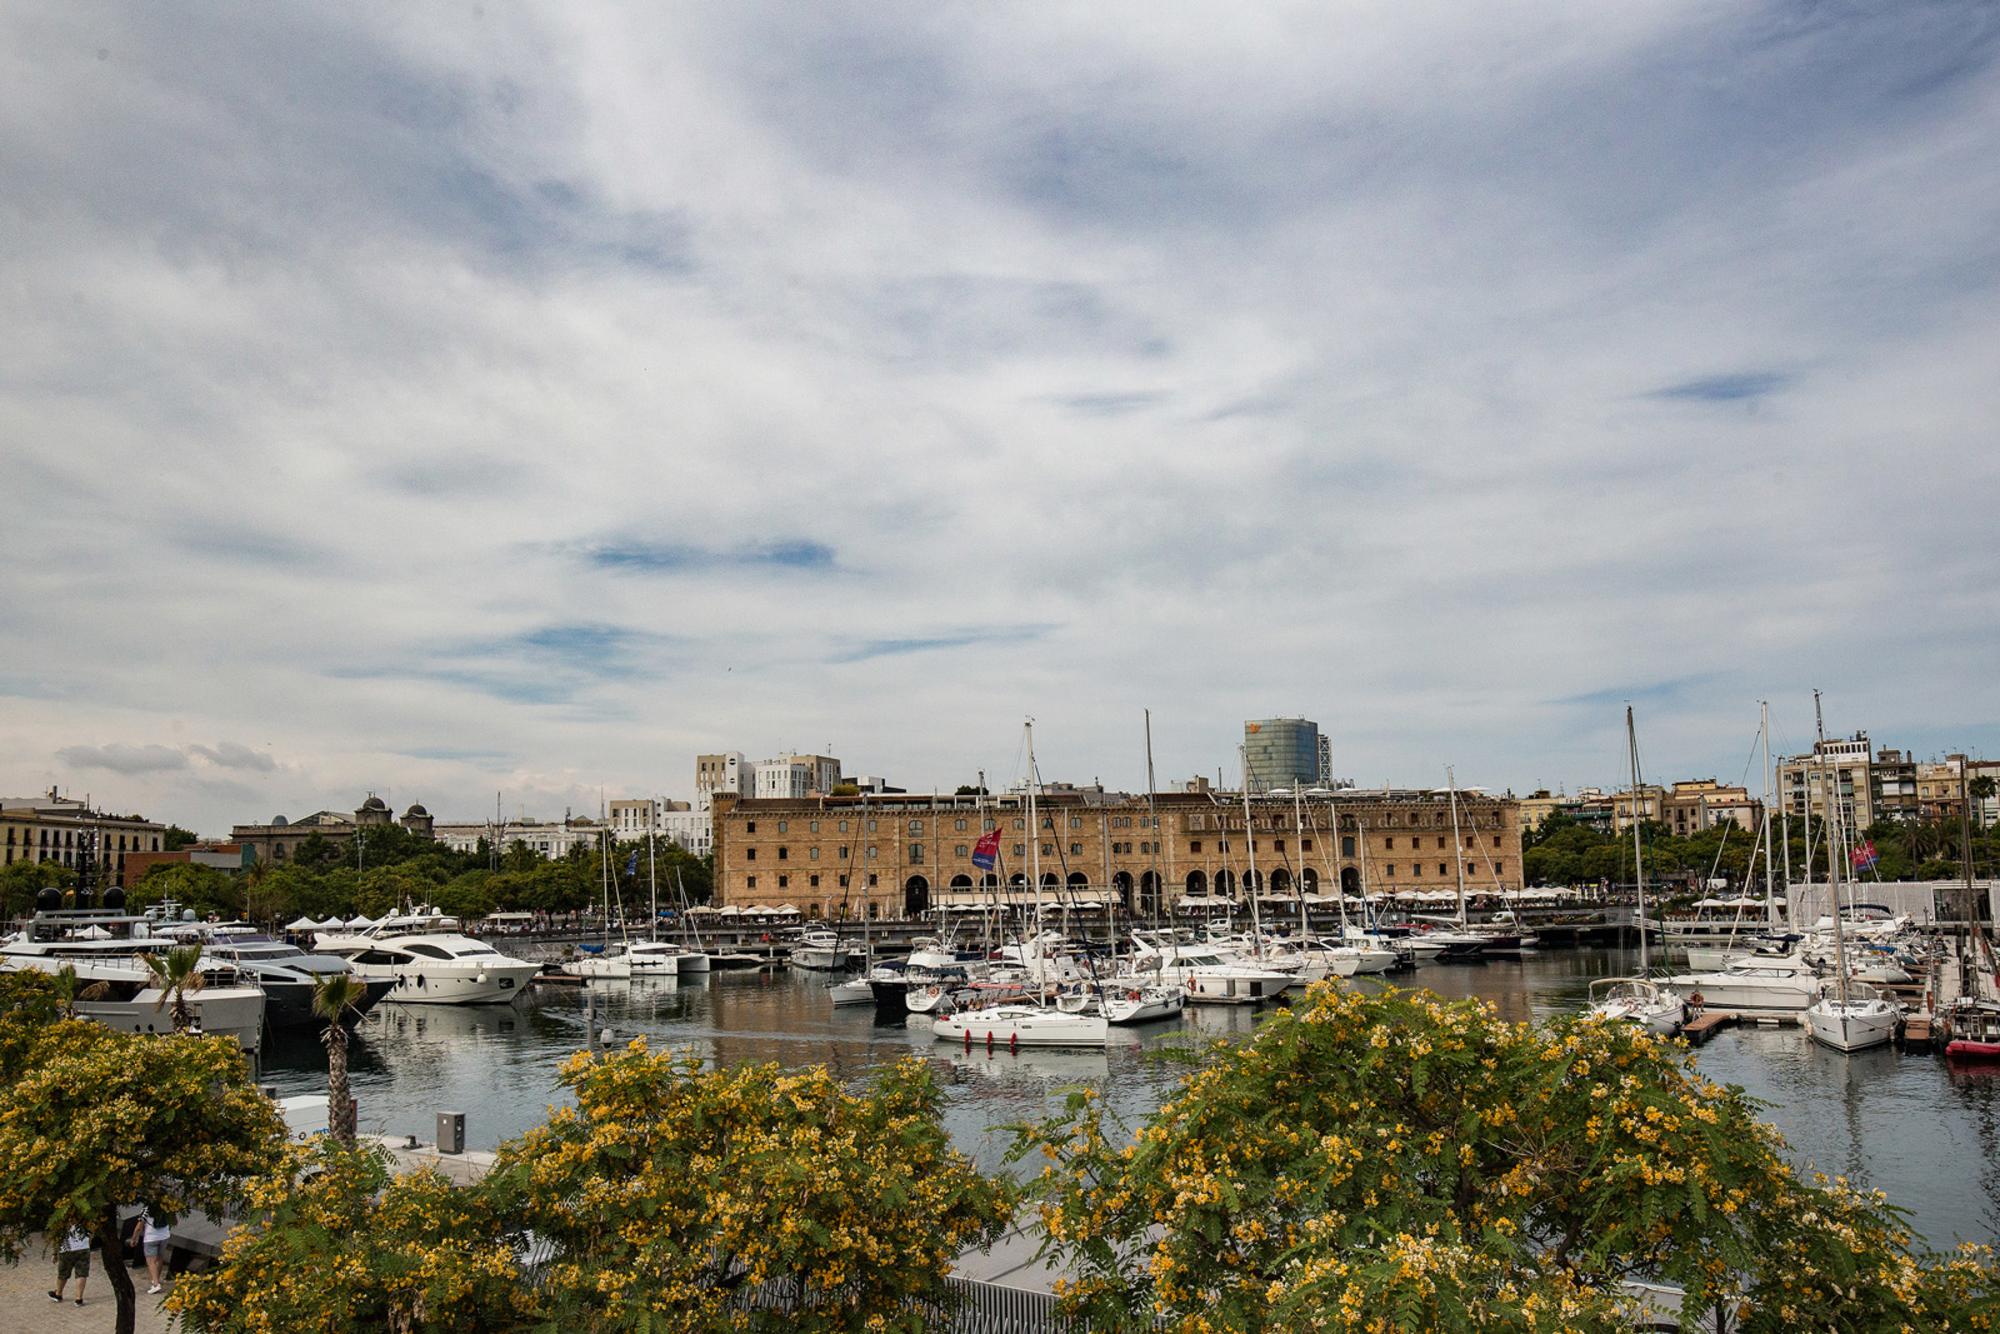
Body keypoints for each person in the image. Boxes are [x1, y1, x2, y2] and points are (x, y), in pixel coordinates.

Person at [129, 1211, 170, 1294]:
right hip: (164, 1236)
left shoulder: (147, 1209)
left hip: (151, 1237)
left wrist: (133, 1239)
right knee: (159, 1258)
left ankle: (156, 1284)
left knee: (151, 1261)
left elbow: (139, 1227)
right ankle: (156, 1279)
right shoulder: (167, 1205)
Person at [49, 1227, 89, 1306]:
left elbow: (57, 1236)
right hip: (83, 1247)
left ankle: (58, 1294)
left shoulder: (63, 1220)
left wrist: (54, 1253)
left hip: (66, 1249)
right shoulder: (85, 1218)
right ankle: (78, 1299)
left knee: (63, 1272)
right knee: (81, 1274)